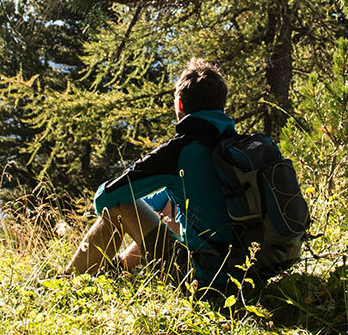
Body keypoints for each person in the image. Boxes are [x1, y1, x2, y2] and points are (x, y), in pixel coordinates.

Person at [64, 58, 238, 292]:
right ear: (222, 105)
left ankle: (65, 284)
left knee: (119, 205)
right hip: (250, 273)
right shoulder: (238, 147)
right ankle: (119, 269)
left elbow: (105, 198)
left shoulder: (179, 152)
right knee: (165, 206)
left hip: (205, 280)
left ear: (180, 104)